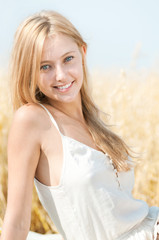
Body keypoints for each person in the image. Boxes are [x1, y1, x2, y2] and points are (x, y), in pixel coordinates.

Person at [1, 10, 159, 240]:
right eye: (45, 66)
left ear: (82, 53)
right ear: (29, 71)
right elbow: (17, 222)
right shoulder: (32, 120)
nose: (61, 76)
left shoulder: (93, 120)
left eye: (68, 59)